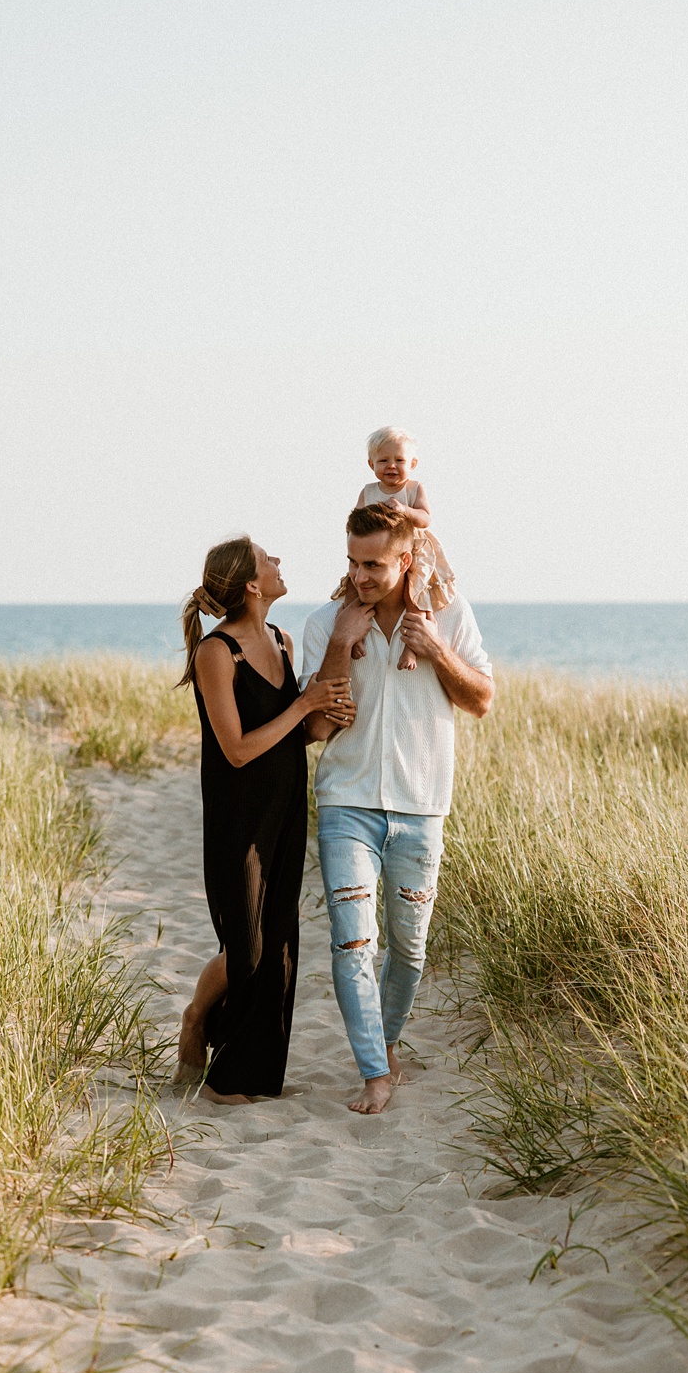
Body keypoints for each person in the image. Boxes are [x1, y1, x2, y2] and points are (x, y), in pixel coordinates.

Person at [303, 502, 494, 1114]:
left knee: (410, 949)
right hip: (345, 804)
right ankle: (374, 1072)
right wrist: (339, 646)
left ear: (406, 559)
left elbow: (483, 699)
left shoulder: (450, 615)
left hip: (421, 807)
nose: (361, 576)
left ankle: (384, 1045)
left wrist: (437, 650)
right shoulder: (325, 623)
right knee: (353, 943)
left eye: (376, 565)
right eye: (354, 563)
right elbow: (314, 727)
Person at [173, 536, 354, 1104]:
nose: (278, 562)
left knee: (277, 947)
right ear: (252, 585)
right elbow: (237, 749)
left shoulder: (281, 639)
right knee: (245, 948)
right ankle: (196, 1021)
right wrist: (303, 705)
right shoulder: (215, 653)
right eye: (267, 559)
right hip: (237, 817)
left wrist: (327, 716)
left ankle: (244, 1078)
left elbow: (291, 736)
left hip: (285, 808)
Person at [331, 428, 455, 671]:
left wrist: (404, 510)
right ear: (371, 464)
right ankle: (353, 638)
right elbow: (355, 520)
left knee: (415, 597)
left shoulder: (413, 489)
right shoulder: (368, 491)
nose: (391, 466)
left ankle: (411, 648)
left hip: (414, 551)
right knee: (351, 595)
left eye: (399, 460)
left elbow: (425, 518)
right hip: (377, 553)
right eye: (383, 460)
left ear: (413, 463)